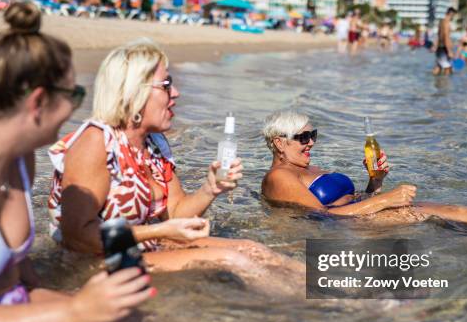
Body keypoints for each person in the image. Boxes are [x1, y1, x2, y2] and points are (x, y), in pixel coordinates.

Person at [0, 1, 153, 322]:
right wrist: (76, 314)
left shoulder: (18, 158)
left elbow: (19, 283)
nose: (77, 107)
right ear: (38, 101)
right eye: (73, 95)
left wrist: (92, 311)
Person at [48, 39, 304, 289]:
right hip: (95, 263)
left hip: (142, 247)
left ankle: (336, 292)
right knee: (233, 260)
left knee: (252, 249)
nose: (177, 93)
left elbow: (177, 212)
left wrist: (209, 189)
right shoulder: (95, 142)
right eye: (167, 85)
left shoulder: (154, 143)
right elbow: (78, 237)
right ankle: (314, 318)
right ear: (133, 91)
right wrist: (157, 231)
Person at [260, 111, 467, 230]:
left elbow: (348, 202)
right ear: (279, 143)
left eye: (314, 135)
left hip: (367, 214)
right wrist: (384, 200)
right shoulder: (279, 177)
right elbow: (321, 216)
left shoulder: (305, 167)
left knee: (464, 213)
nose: (311, 142)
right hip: (359, 226)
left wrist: (374, 183)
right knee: (465, 216)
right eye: (303, 138)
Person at [433, 7, 457, 76]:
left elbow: (438, 35)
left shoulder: (441, 22)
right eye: (454, 16)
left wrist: (435, 46)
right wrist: (449, 50)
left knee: (439, 66)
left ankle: (435, 84)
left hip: (440, 47)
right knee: (447, 68)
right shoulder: (446, 23)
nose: (453, 18)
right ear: (451, 14)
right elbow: (446, 36)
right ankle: (445, 85)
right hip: (444, 48)